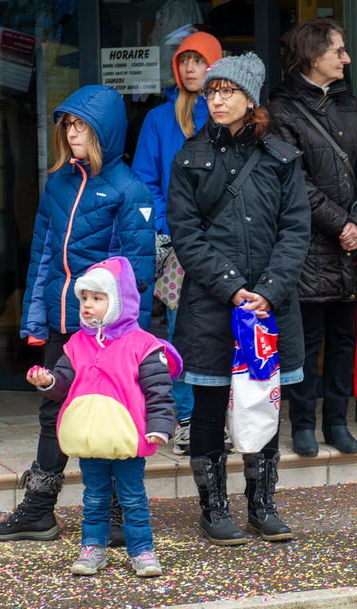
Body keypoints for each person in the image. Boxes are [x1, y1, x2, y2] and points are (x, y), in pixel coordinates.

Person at [0, 85, 156, 545]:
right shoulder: (57, 183)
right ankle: (39, 510)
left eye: (82, 126)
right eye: (69, 126)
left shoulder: (130, 189)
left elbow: (136, 274)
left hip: (108, 332)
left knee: (112, 411)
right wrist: (35, 319)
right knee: (53, 411)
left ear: (105, 132)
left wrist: (115, 330)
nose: (73, 133)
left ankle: (116, 513)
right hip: (64, 325)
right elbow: (42, 257)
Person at [167, 53, 311, 546]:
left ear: (251, 98)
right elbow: (185, 235)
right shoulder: (189, 157)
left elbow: (296, 230)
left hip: (271, 307)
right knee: (208, 408)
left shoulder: (281, 156)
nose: (217, 99)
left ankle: (262, 505)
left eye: (228, 91)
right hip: (212, 304)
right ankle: (214, 509)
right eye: (212, 91)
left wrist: (267, 291)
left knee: (263, 405)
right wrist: (231, 286)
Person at [267, 19, 357, 457]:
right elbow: (294, 180)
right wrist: (342, 225)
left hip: (351, 246)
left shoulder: (351, 105)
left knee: (344, 341)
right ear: (314, 55)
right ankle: (302, 424)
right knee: (305, 341)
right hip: (309, 245)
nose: (346, 59)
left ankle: (336, 421)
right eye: (338, 51)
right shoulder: (282, 110)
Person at [25, 256, 178, 576]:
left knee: (132, 498)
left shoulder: (144, 344)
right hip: (90, 438)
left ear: (119, 302)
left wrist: (160, 427)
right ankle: (92, 548)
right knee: (94, 497)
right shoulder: (75, 344)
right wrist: (48, 381)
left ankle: (142, 551)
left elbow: (159, 391)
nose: (88, 305)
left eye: (97, 298)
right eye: (84, 298)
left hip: (128, 438)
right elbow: (63, 384)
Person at [133, 31, 223, 456]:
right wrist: (166, 226)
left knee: (224, 331)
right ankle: (185, 418)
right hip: (178, 243)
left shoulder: (227, 113)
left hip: (223, 240)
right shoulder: (159, 118)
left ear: (214, 65)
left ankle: (216, 418)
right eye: (184, 60)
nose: (189, 68)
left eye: (198, 60)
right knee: (180, 332)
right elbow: (144, 181)